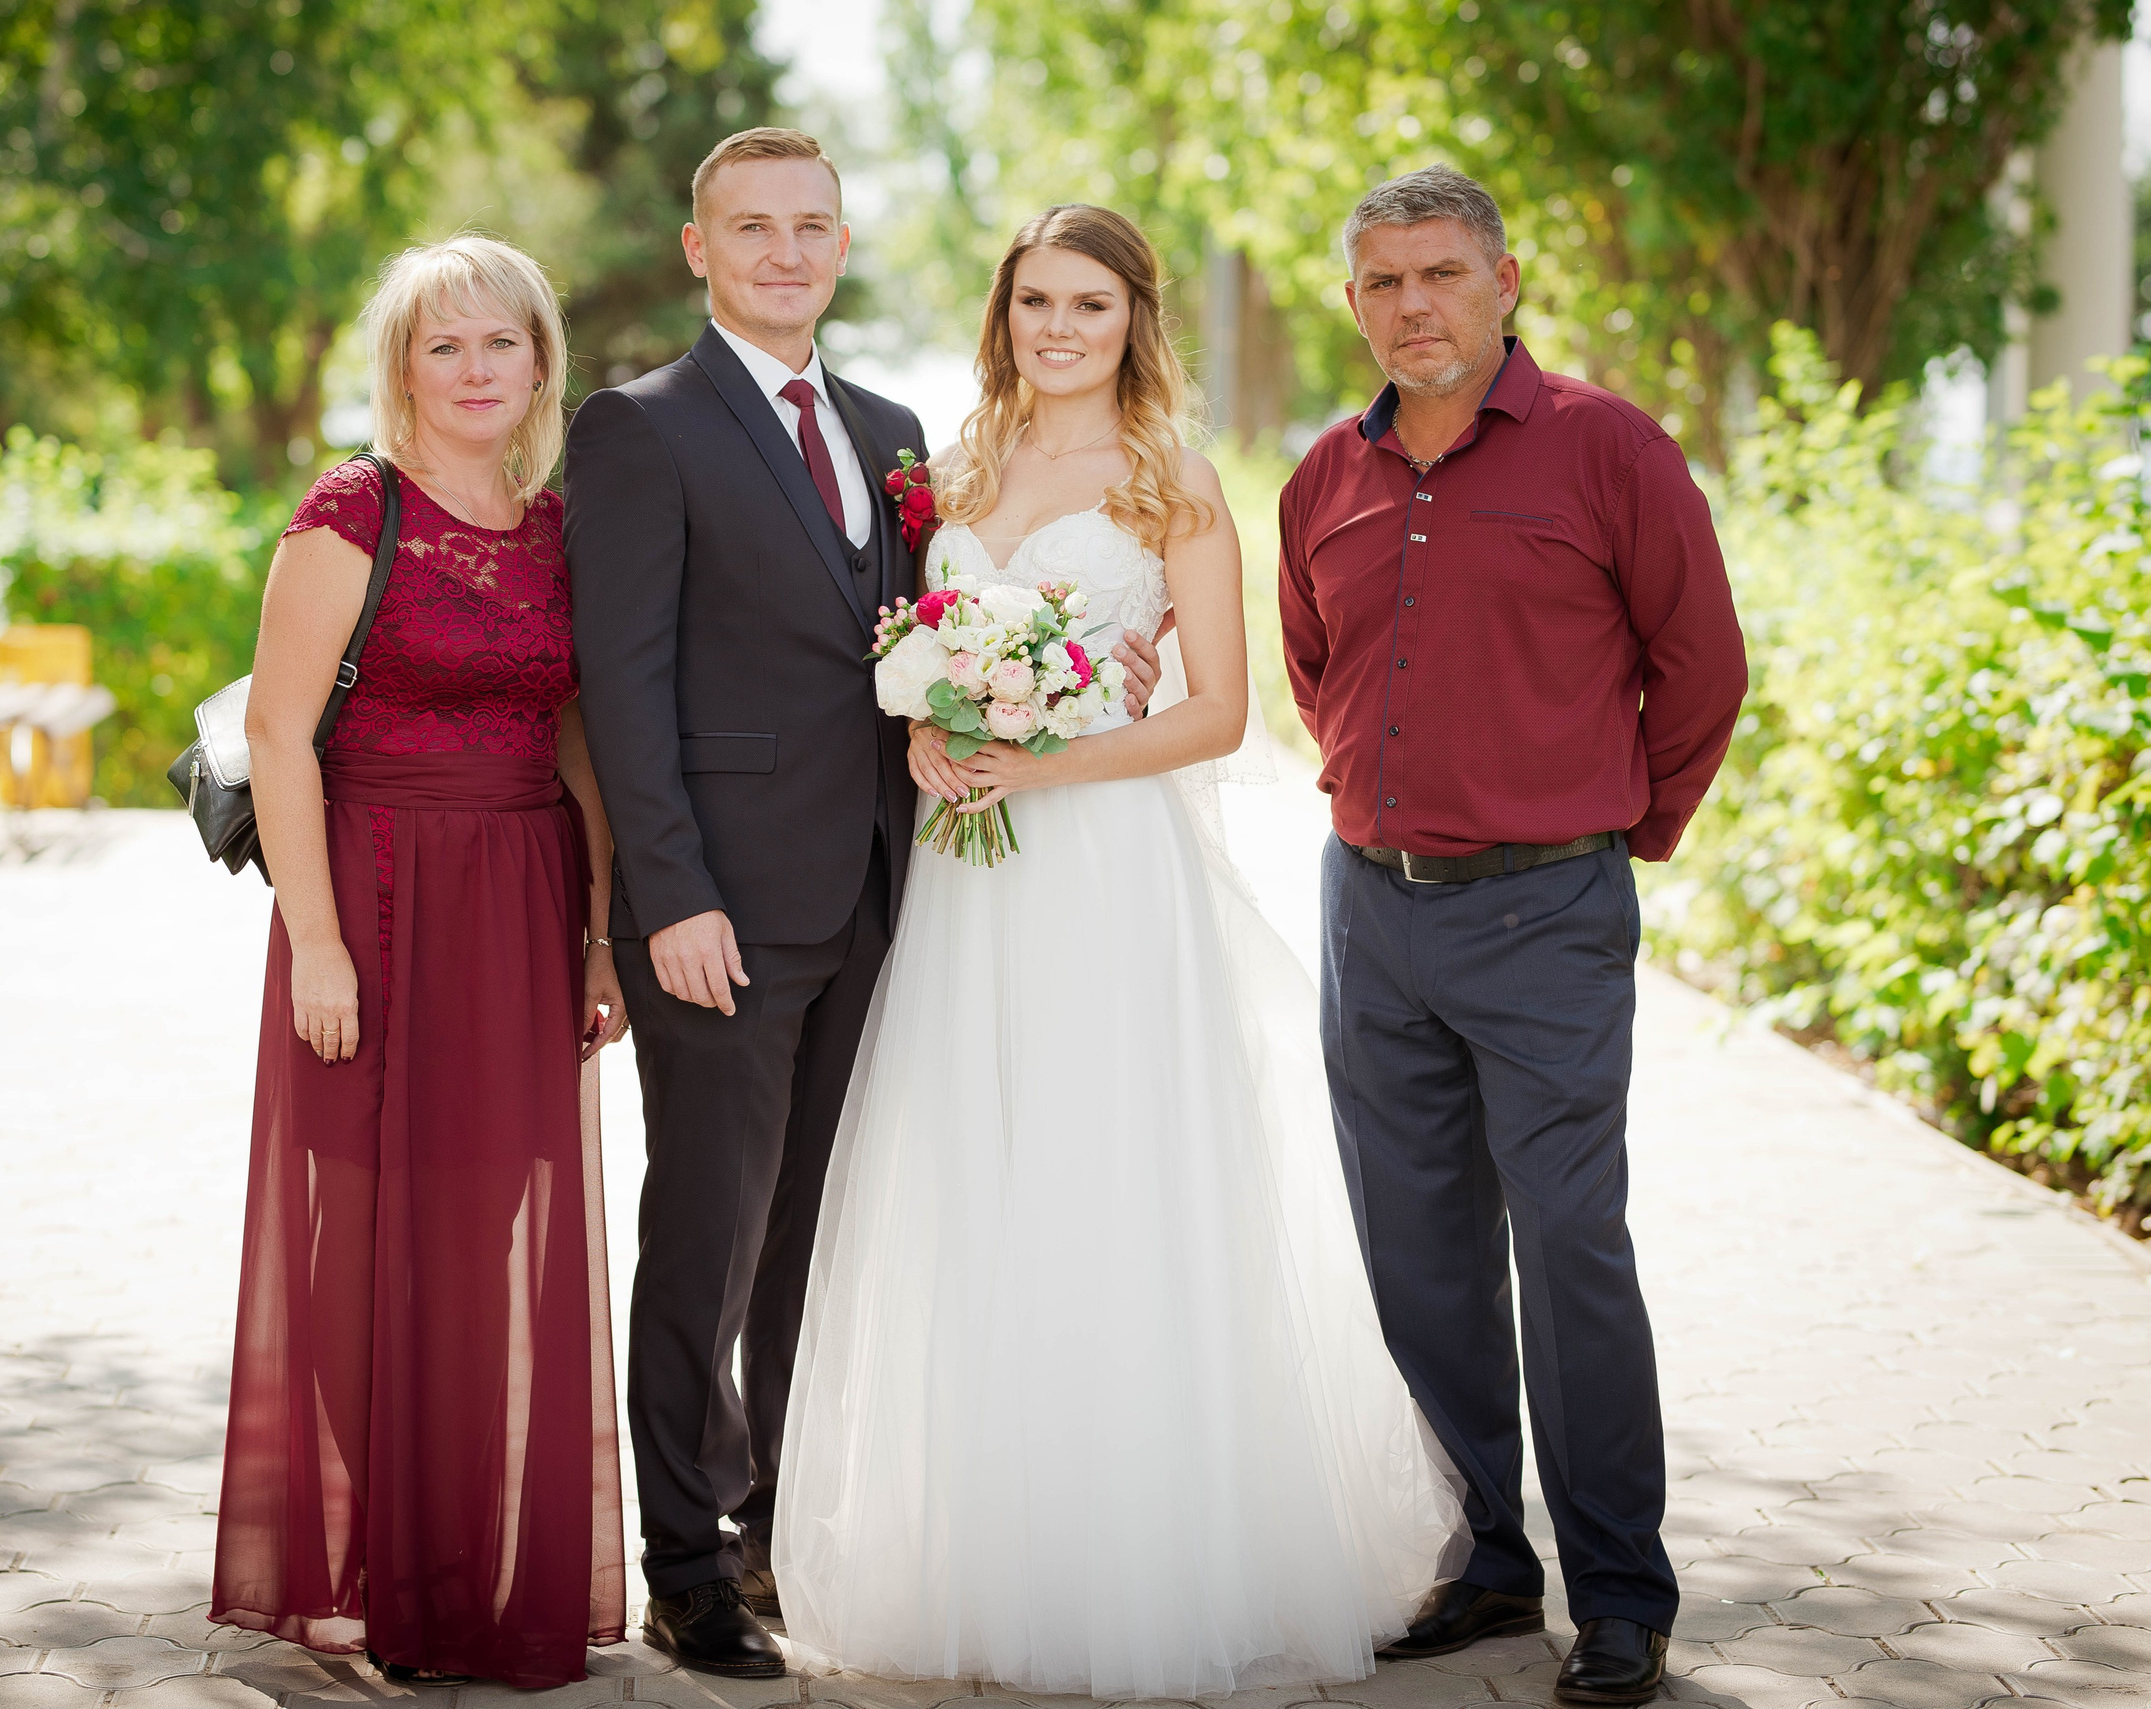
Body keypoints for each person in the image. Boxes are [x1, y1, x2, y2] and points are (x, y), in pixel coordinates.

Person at [772, 203, 1466, 1699]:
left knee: (1108, 1179)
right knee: (979, 1178)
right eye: (1034, 301)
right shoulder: (949, 472)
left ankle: (1140, 1559)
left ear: (1134, 318)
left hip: (1102, 870)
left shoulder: (1175, 486)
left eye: (1089, 302)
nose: (1059, 328)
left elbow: (1221, 712)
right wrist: (930, 728)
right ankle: (985, 1553)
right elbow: (914, 654)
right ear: (1004, 314)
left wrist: (1041, 762)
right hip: (969, 882)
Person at [564, 129, 1165, 1679]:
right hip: (721, 917)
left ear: (841, 246)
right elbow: (622, 692)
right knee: (703, 1230)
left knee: (811, 1240)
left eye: (810, 227)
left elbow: (929, 640)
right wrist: (670, 897)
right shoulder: (641, 429)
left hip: (884, 895)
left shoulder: (896, 429)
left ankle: (774, 1529)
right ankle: (683, 1564)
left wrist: (1076, 681)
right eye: (750, 228)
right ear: (699, 248)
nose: (784, 251)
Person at [1278, 164, 1746, 1708]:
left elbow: (1700, 667)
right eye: (1384, 283)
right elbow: (1313, 669)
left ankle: (1621, 1588)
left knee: (1568, 1245)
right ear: (1354, 305)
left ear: (1506, 280)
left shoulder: (1604, 448)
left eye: (1441, 275)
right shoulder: (1319, 482)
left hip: (1548, 907)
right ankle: (1490, 1556)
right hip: (1370, 909)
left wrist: (1616, 831)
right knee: (1419, 1258)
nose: (1414, 305)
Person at [211, 234, 628, 1689]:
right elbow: (275, 732)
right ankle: (381, 1556)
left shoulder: (564, 526)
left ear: (538, 363)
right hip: (373, 900)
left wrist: (598, 938)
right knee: (360, 1240)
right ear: (402, 367)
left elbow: (581, 737)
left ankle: (483, 1564)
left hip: (521, 899)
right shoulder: (353, 508)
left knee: (494, 1228)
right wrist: (314, 941)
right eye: (441, 346)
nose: (472, 370)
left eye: (497, 344)